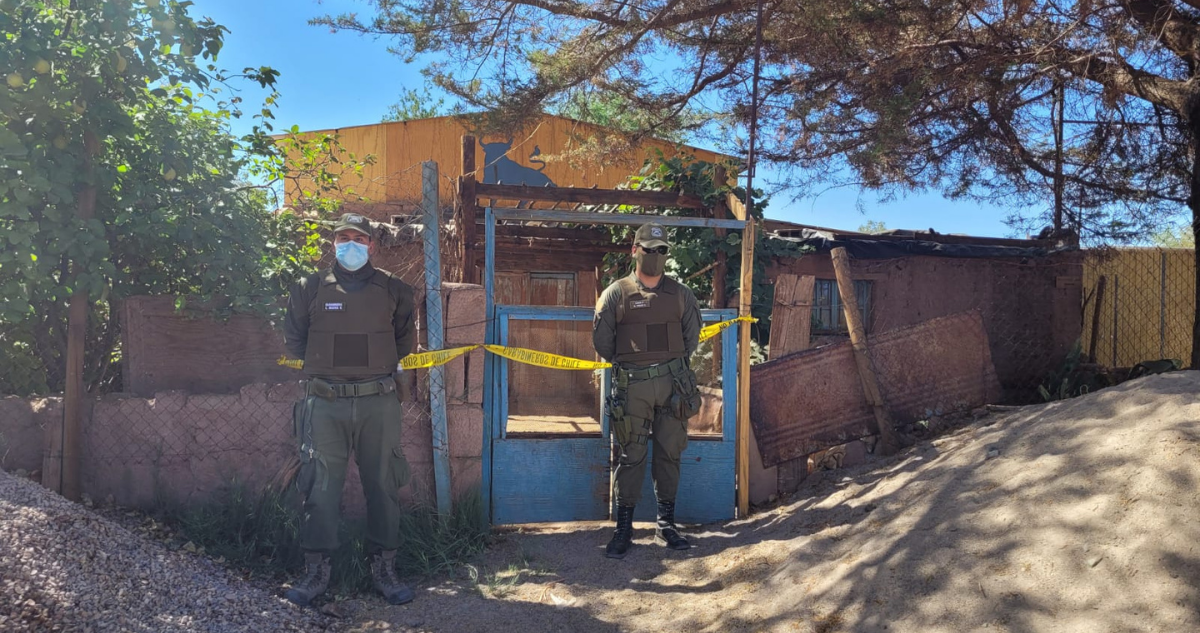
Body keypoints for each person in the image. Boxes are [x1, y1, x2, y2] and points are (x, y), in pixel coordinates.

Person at [282, 212, 417, 606]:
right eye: (343, 238)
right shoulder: (308, 288)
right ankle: (316, 571)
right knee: (319, 486)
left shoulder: (395, 290)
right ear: (333, 243)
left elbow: (403, 344)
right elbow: (294, 342)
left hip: (378, 403)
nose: (351, 245)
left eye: (359, 238)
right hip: (325, 404)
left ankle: (385, 568)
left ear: (372, 244)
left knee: (384, 484)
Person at [593, 222, 703, 559]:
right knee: (631, 456)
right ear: (634, 250)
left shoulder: (681, 294)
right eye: (648, 249)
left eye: (661, 250)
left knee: (670, 453)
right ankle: (624, 528)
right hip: (633, 389)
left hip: (673, 387)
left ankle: (665, 525)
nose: (654, 255)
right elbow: (603, 343)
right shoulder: (616, 293)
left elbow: (691, 339)